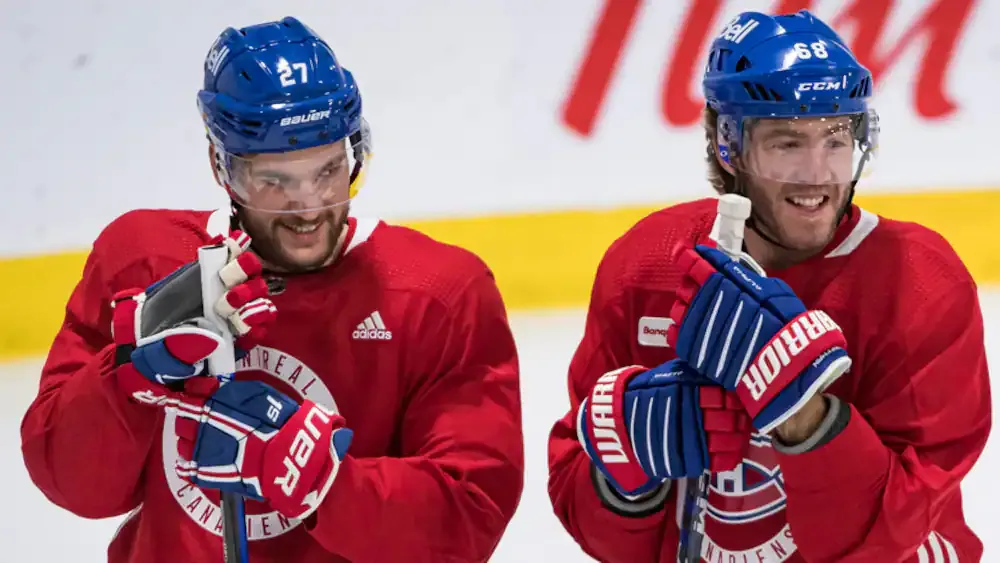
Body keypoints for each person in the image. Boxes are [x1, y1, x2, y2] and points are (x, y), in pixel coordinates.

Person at [20, 16, 524, 563]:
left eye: (329, 171)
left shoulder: (441, 296)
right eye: (274, 181)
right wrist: (123, 383)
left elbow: (469, 519)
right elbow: (71, 487)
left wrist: (325, 482)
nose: (308, 206)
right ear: (222, 167)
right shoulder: (144, 261)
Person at [548, 9, 991, 562]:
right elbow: (586, 504)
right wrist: (623, 484)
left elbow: (897, 534)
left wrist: (806, 416)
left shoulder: (920, 284)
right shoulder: (648, 265)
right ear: (728, 146)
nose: (818, 173)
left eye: (834, 139)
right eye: (787, 143)